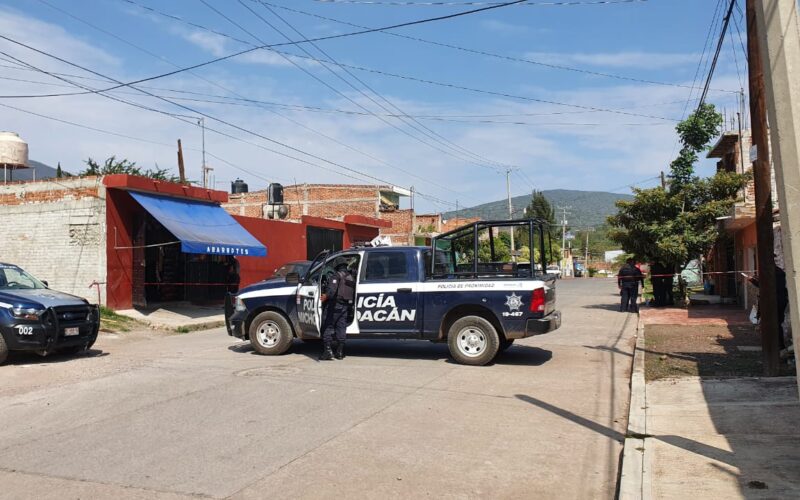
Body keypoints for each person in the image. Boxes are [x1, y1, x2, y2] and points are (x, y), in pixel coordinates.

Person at [319, 262, 355, 361]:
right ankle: (340, 352)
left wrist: (325, 296)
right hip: (345, 306)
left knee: (328, 326)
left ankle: (327, 352)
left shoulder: (336, 276)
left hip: (335, 305)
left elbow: (331, 291)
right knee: (341, 327)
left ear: (337, 267)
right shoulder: (350, 277)